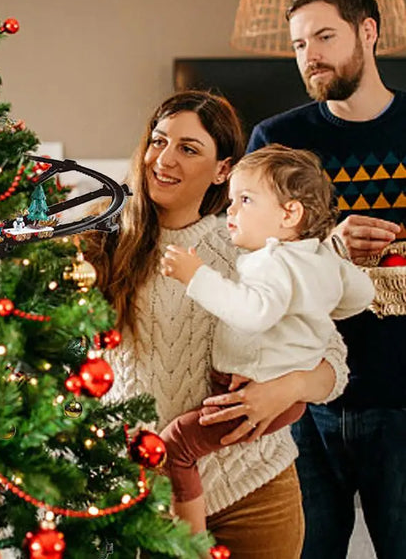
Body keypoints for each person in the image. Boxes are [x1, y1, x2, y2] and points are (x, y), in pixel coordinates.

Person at [88, 90, 350, 558]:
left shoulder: (253, 251)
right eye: (158, 140)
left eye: (189, 149)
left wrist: (285, 390)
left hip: (254, 492)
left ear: (223, 170)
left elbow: (334, 363)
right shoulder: (100, 246)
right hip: (145, 497)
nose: (164, 159)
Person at [246, 0, 406, 558]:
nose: (308, 55)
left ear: (368, 33)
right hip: (304, 398)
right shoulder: (277, 141)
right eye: (297, 44)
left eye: (323, 36)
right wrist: (326, 248)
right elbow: (247, 260)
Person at [156, 144, 374, 535]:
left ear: (289, 214)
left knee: (176, 447)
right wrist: (318, 302)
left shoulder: (272, 260)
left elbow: (253, 313)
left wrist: (196, 276)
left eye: (245, 200)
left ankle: (188, 542)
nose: (232, 211)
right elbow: (361, 295)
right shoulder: (320, 256)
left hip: (249, 394)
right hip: (280, 397)